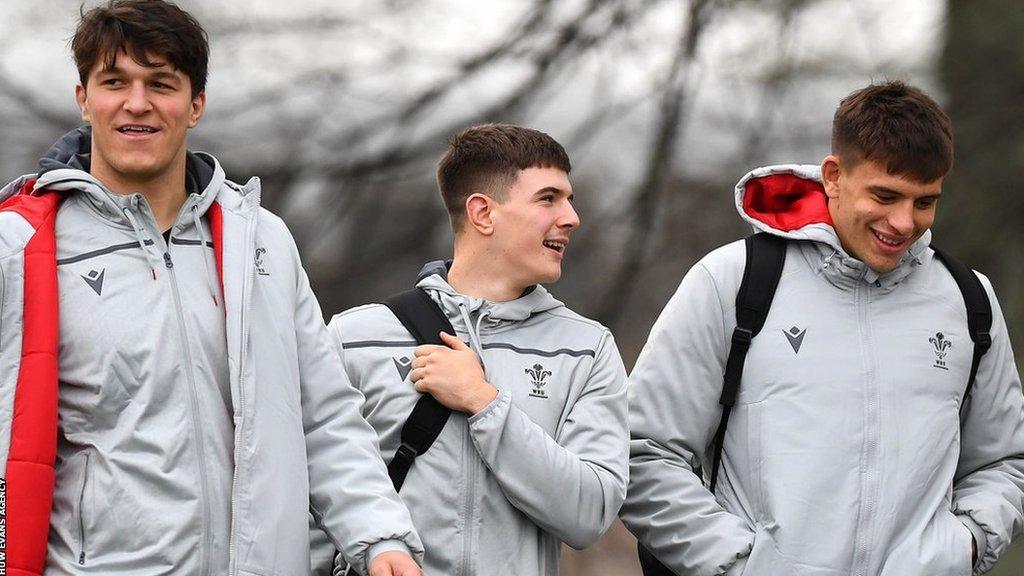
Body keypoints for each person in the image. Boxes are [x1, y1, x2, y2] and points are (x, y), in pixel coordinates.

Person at [0, 1, 422, 575]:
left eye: (161, 83)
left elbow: (321, 415)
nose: (137, 103)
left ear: (195, 104)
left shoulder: (262, 241)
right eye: (114, 81)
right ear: (83, 99)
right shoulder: (18, 247)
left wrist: (380, 537)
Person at [620, 81, 1024, 575]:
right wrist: (742, 566)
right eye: (885, 195)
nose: (903, 221)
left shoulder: (969, 300)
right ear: (833, 175)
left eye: (924, 201)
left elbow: (1005, 462)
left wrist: (963, 546)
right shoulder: (733, 282)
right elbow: (645, 451)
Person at [320, 124, 629, 576]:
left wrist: (484, 403)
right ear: (483, 213)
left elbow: (588, 515)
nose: (571, 217)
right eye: (548, 198)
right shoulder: (355, 337)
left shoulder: (586, 349)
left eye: (569, 198)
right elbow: (310, 494)